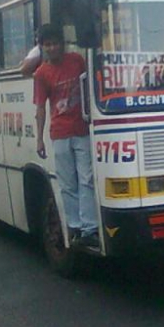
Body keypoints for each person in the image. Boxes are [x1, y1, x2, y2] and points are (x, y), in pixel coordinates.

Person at [29, 25, 99, 249]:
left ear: (63, 43)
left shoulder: (77, 61)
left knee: (86, 180)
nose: (52, 47)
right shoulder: (41, 74)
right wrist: (39, 139)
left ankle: (89, 228)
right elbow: (40, 108)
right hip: (59, 133)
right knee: (68, 184)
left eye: (55, 43)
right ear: (42, 47)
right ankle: (75, 226)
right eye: (47, 44)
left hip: (82, 129)